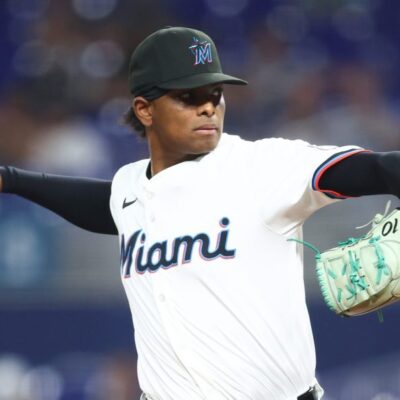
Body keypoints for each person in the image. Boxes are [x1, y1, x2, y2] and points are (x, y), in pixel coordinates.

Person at [1, 27, 400, 400]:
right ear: (144, 109)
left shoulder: (263, 166)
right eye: (188, 97)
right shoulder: (129, 188)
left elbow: (378, 168)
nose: (208, 107)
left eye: (215, 93)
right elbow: (107, 207)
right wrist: (13, 180)